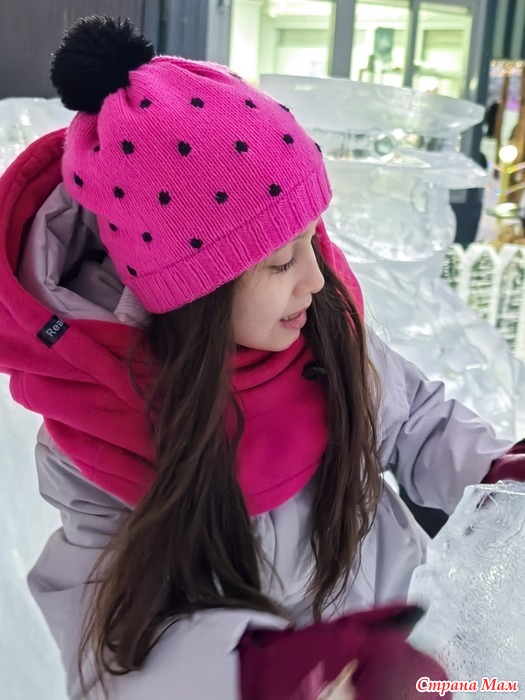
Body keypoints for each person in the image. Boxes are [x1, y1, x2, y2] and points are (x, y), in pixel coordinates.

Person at [0, 15, 523, 700]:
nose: (316, 279)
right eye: (280, 261)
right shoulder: (97, 440)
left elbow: (414, 420)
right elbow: (110, 642)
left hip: (405, 653)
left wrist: (497, 471)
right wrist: (270, 672)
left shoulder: (322, 333)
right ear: (195, 290)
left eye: (314, 239)